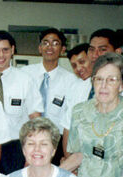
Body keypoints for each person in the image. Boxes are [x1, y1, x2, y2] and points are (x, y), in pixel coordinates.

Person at [0, 30, 42, 174]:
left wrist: (33, 151)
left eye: (5, 50)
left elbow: (35, 118)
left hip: (14, 148)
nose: (1, 55)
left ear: (12, 50)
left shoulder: (25, 80)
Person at [22, 28, 79, 165]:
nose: (50, 47)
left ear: (63, 49)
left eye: (55, 43)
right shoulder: (24, 74)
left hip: (55, 142)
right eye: (46, 43)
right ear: (40, 48)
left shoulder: (71, 80)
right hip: (26, 138)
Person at [87, 28, 123, 100]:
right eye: (91, 49)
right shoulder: (85, 84)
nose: (94, 55)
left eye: (102, 49)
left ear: (117, 52)